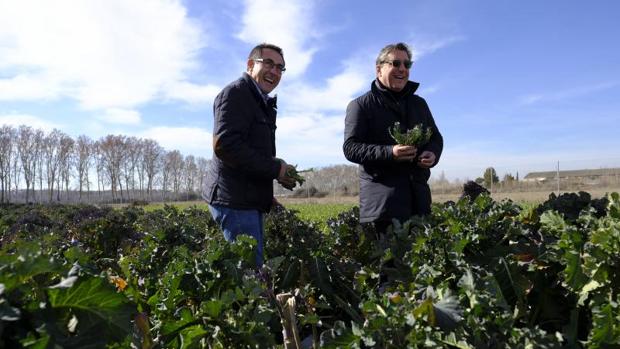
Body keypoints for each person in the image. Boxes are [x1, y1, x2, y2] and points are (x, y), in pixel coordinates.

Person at [203, 43, 297, 266]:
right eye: (269, 64)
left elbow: (252, 151)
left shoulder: (260, 101)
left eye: (280, 68)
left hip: (247, 199)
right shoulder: (235, 94)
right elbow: (226, 145)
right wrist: (276, 169)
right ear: (250, 64)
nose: (274, 72)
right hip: (234, 201)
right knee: (251, 277)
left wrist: (265, 193)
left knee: (253, 271)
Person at [343, 42, 443, 235]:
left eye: (407, 64)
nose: (402, 69)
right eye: (395, 63)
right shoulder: (361, 105)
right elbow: (350, 148)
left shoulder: (419, 104)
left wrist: (432, 153)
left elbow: (436, 137)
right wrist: (390, 153)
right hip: (383, 208)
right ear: (379, 69)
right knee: (388, 264)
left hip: (419, 203)